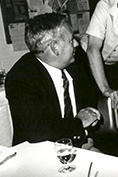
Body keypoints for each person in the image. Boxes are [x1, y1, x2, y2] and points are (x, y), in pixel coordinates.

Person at [5, 13, 101, 148]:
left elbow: (89, 95)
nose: (76, 44)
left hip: (81, 145)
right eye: (71, 40)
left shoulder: (76, 61)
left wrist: (90, 113)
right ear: (55, 47)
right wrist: (79, 123)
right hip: (42, 155)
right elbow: (35, 131)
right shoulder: (21, 77)